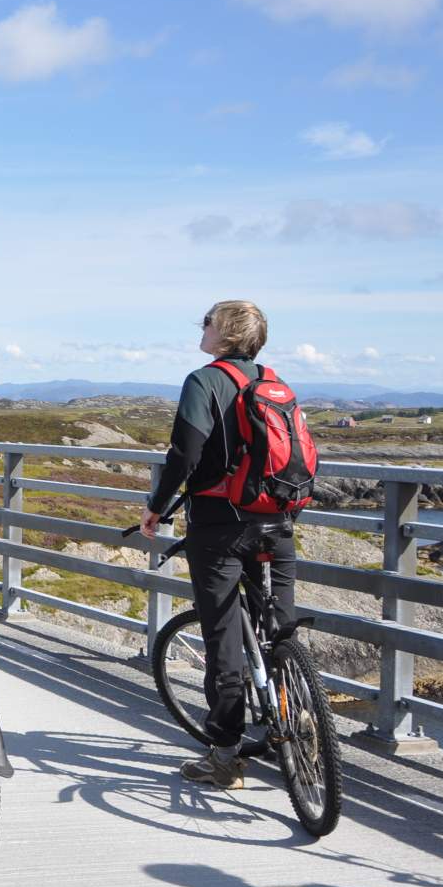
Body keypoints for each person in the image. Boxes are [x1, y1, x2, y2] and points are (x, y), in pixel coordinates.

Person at [138, 300, 298, 790]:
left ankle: (225, 757)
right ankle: (295, 721)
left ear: (223, 333)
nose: (200, 329)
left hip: (219, 525)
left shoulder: (204, 381)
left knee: (223, 637)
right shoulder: (273, 381)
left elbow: (184, 452)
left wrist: (157, 506)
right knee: (281, 629)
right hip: (278, 521)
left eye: (206, 322)